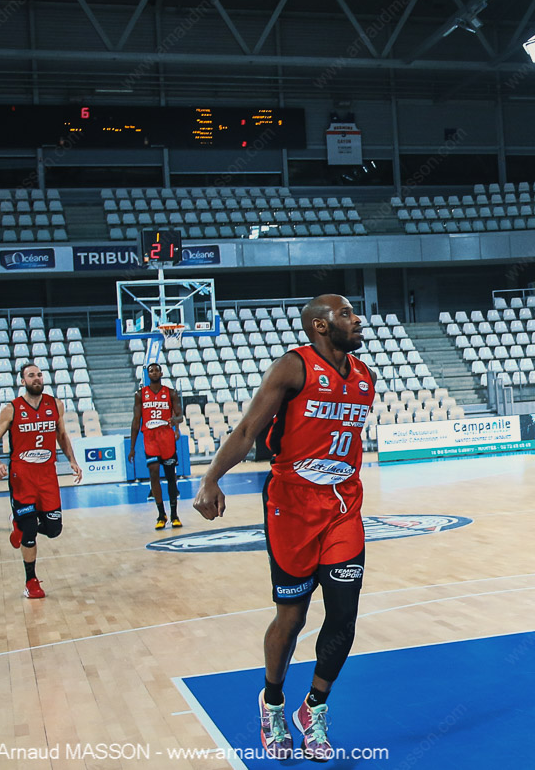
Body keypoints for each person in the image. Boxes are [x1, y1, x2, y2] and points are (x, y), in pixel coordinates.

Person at [193, 295, 374, 762]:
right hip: (291, 508)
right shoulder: (293, 367)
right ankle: (272, 702)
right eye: (346, 314)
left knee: (344, 615)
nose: (357, 319)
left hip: (343, 507)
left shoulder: (365, 377)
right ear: (320, 326)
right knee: (292, 618)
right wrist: (211, 478)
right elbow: (248, 430)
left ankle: (313, 708)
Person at [0, 364, 82, 599]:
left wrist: (72, 460)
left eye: (39, 374)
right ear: (23, 381)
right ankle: (31, 581)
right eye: (31, 375)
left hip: (47, 476)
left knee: (54, 529)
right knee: (30, 532)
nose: (37, 378)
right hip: (22, 477)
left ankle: (19, 523)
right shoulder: (12, 409)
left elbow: (61, 434)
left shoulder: (55, 404)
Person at [128, 362, 184, 530]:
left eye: (156, 370)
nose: (153, 372)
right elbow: (136, 421)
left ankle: (174, 514)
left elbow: (180, 416)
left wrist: (175, 421)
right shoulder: (140, 395)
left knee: (170, 476)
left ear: (161, 373)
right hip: (150, 438)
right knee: (153, 473)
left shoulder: (171, 393)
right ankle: (161, 515)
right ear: (148, 374)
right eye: (150, 370)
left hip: (166, 437)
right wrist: (132, 447)